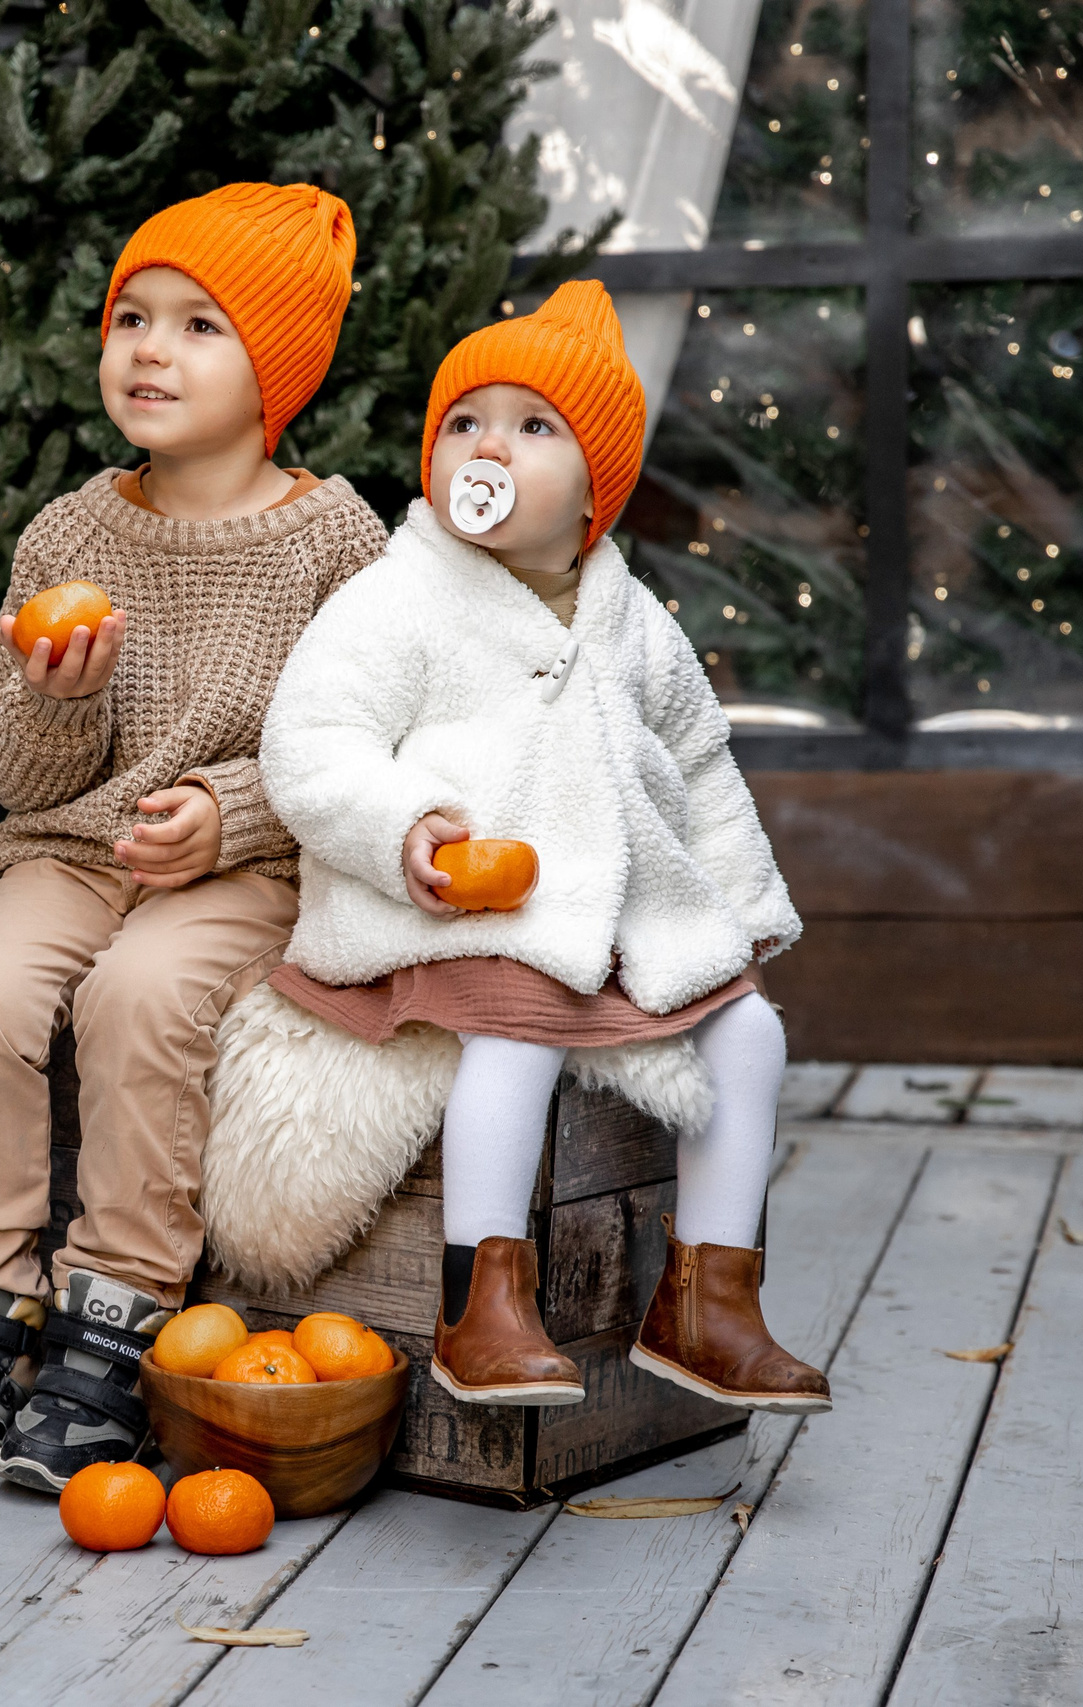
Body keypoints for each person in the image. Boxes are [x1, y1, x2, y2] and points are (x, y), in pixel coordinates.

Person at [0, 182, 390, 1493]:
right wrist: (64, 698)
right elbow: (11, 764)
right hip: (68, 847)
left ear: (275, 369)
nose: (150, 350)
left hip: (246, 865)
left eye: (199, 325)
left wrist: (233, 813)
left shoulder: (337, 542)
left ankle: (117, 1309)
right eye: (131, 317)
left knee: (143, 994)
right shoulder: (73, 529)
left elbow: (372, 750)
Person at [257, 280, 832, 1414]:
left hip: (614, 910)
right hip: (455, 906)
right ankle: (484, 1300)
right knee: (513, 1036)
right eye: (464, 423)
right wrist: (400, 825)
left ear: (595, 493)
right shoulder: (394, 601)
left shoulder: (634, 623)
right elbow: (310, 742)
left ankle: (708, 1300)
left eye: (533, 427)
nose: (488, 447)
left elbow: (701, 764)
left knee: (751, 1034)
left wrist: (742, 905)